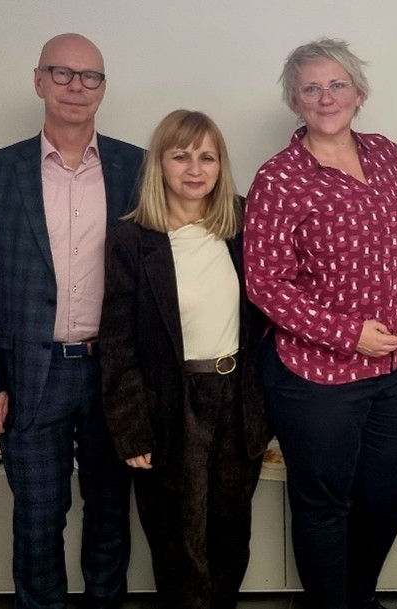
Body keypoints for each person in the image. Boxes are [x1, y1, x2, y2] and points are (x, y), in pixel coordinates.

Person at [0, 33, 141, 609]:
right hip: (32, 375)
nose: (76, 87)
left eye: (90, 77)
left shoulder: (136, 166)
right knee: (38, 517)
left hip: (113, 374)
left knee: (111, 515)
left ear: (103, 89)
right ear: (39, 81)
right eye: (62, 74)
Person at [243, 38, 397, 609]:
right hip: (314, 375)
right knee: (324, 503)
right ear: (295, 101)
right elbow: (264, 284)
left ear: (359, 94)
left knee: (388, 494)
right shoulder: (279, 178)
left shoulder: (389, 155)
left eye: (337, 85)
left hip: (395, 364)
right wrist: (349, 334)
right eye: (311, 88)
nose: (326, 97)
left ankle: (356, 596)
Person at [99, 109, 269, 609]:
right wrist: (131, 430)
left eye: (207, 157)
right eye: (181, 156)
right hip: (171, 406)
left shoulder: (241, 224)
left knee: (230, 535)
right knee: (179, 542)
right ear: (160, 164)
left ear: (221, 165)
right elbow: (116, 341)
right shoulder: (132, 239)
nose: (195, 169)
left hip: (236, 402)